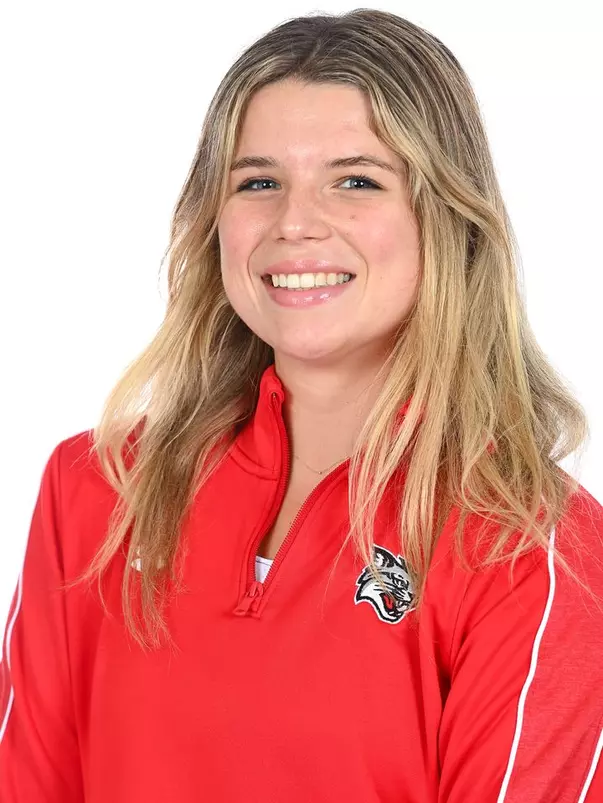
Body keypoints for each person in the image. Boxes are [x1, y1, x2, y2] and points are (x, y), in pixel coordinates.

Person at [1, 8, 602, 802]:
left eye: (355, 181)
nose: (293, 222)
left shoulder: (528, 545)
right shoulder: (99, 488)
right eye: (258, 182)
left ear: (445, 217)